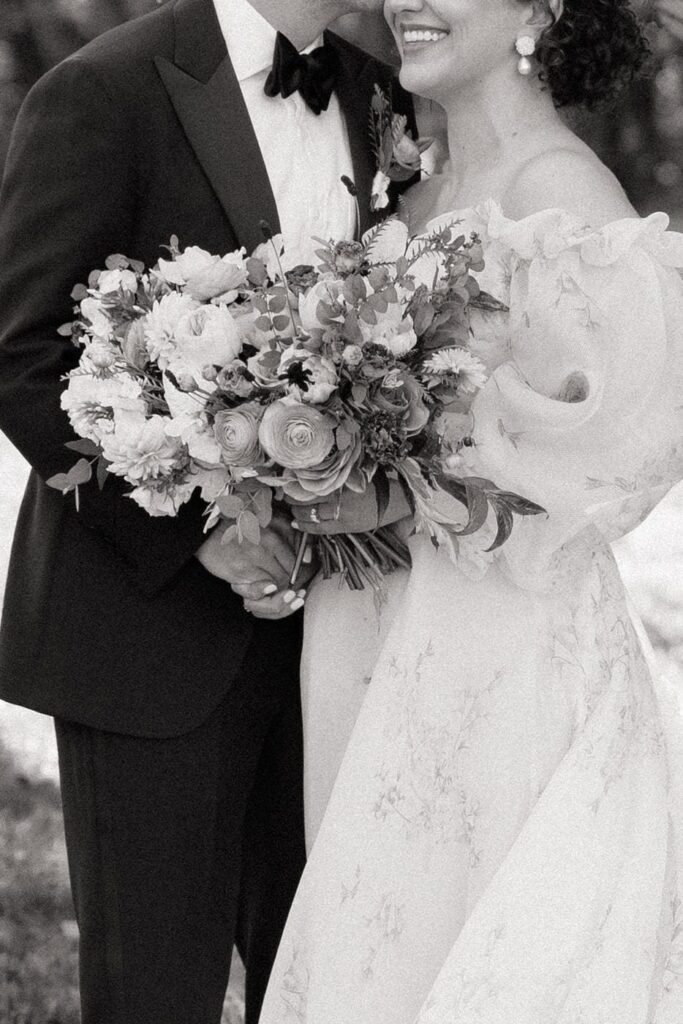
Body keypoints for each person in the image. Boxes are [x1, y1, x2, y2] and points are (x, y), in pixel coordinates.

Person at [258, 1, 683, 1021]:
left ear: (540, 6)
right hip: (375, 633)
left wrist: (399, 474)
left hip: (497, 648)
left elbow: (629, 442)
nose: (407, 0)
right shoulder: (415, 187)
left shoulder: (557, 190)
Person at [0, 1, 418, 1021]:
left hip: (342, 635)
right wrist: (199, 534)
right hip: (149, 634)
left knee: (322, 987)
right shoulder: (102, 92)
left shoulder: (384, 98)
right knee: (154, 995)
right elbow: (22, 354)